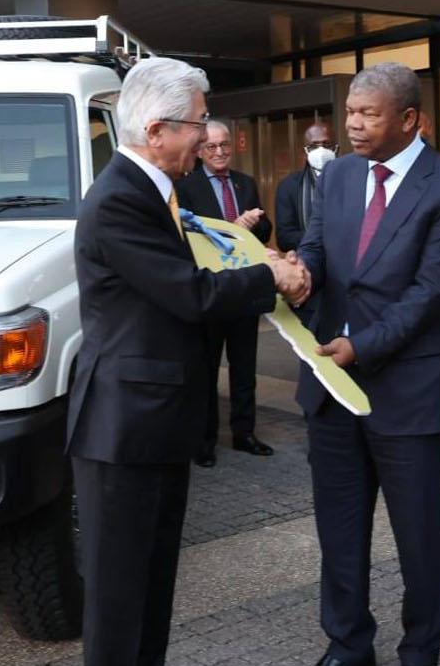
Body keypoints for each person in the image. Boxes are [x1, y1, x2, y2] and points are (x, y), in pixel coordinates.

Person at [68, 57, 310, 666]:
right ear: (157, 130)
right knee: (121, 604)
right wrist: (271, 277)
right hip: (125, 431)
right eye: (199, 122)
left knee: (149, 590)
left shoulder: (155, 193)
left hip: (152, 425)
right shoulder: (120, 200)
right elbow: (191, 293)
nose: (207, 134)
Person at [296, 62, 440, 666]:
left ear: (408, 119)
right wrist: (298, 275)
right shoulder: (340, 175)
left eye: (367, 113)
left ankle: (422, 647)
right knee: (340, 533)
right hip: (331, 388)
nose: (353, 124)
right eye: (350, 111)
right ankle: (348, 645)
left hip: (409, 390)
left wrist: (362, 347)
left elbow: (430, 294)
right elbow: (320, 247)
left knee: (420, 536)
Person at [176, 120, 276, 466]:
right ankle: (204, 441)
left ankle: (244, 433)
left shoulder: (245, 183)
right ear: (201, 150)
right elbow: (191, 240)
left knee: (244, 366)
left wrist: (256, 223)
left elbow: (262, 233)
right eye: (212, 147)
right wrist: (233, 229)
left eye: (225, 146)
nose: (220, 152)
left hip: (245, 289)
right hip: (212, 291)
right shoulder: (186, 189)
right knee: (205, 369)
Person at [276, 122, 337, 254]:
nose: (321, 151)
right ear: (305, 151)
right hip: (307, 263)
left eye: (326, 145)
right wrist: (326, 236)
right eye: (314, 146)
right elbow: (284, 238)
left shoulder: (350, 180)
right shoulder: (288, 186)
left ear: (336, 148)